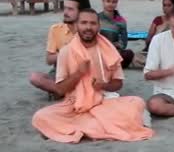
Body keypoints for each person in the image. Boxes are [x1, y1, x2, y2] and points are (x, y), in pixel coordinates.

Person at [31, 9, 154, 143]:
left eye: (92, 23)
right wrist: (79, 73)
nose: (88, 27)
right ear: (77, 25)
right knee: (40, 116)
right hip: (74, 105)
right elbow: (60, 89)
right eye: (84, 23)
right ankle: (93, 127)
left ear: (98, 26)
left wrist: (103, 85)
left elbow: (118, 83)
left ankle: (85, 128)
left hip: (104, 102)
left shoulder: (108, 50)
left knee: (137, 102)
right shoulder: (66, 52)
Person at [29, 0, 91, 96]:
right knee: (35, 78)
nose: (65, 12)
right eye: (65, 8)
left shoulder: (89, 30)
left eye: (70, 9)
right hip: (59, 72)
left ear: (82, 13)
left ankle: (62, 90)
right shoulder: (56, 29)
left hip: (82, 72)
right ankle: (63, 90)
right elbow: (49, 60)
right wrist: (67, 50)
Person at [98, 0, 134, 69]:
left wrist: (115, 47)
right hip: (98, 50)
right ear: (103, 1)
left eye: (113, 2)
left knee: (128, 54)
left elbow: (124, 43)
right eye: (108, 1)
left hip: (114, 51)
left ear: (117, 3)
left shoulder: (121, 21)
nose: (110, 4)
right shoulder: (96, 18)